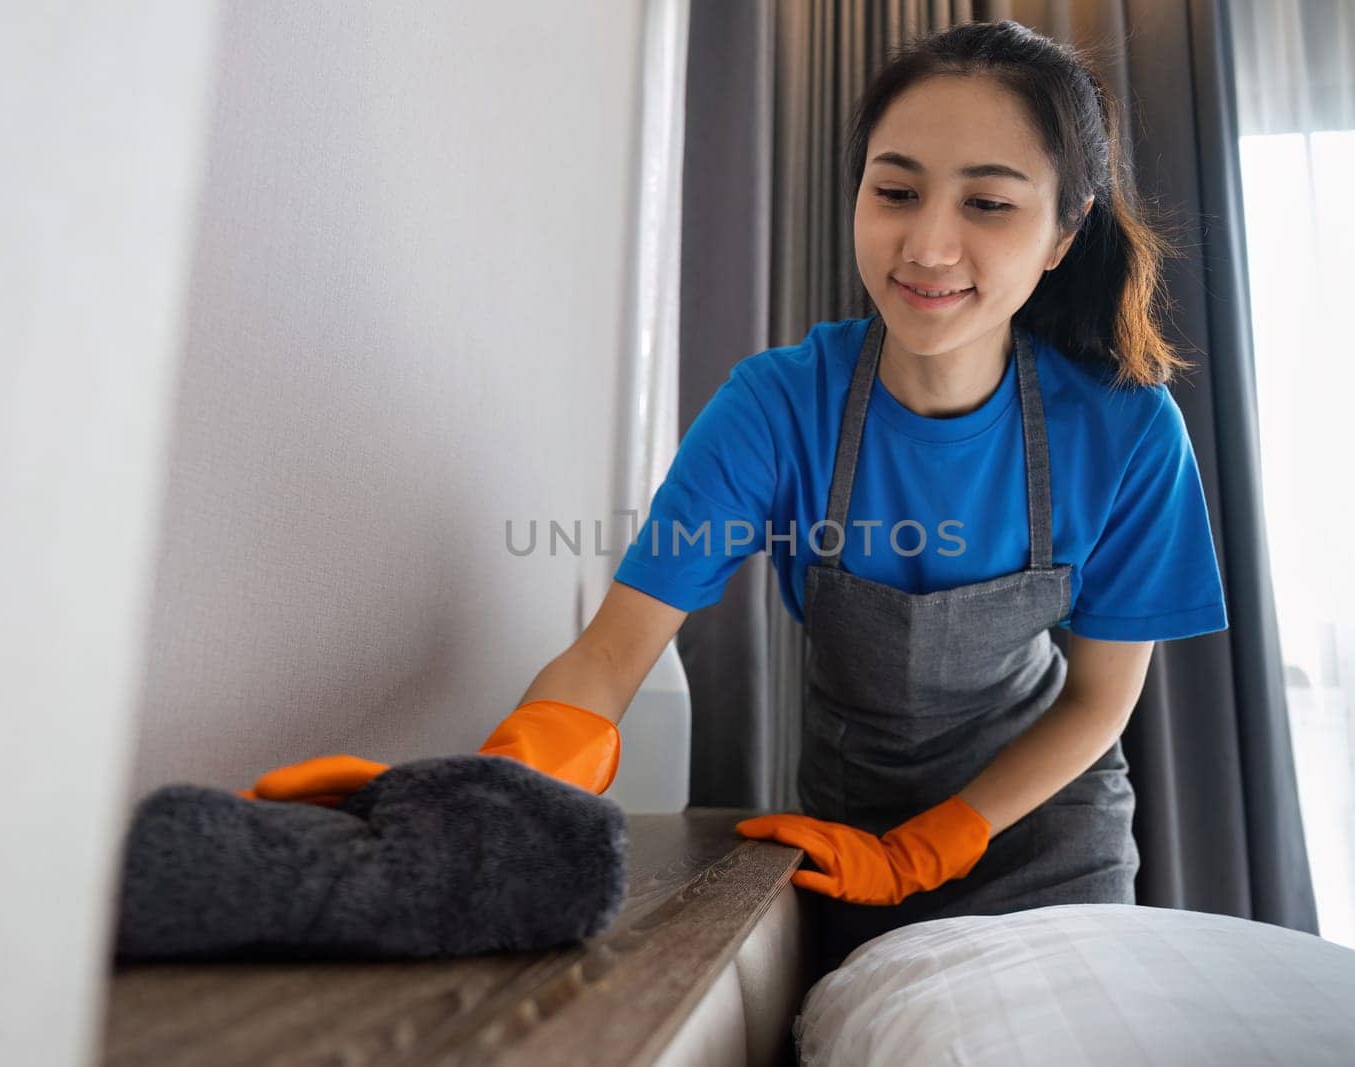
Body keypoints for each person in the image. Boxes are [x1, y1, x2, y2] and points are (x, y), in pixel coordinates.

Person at [246, 19, 1228, 974]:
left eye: (987, 204)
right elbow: (611, 651)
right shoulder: (778, 404)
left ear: (1064, 230)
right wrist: (480, 795)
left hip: (1041, 839)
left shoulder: (1128, 432)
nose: (926, 246)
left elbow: (1099, 700)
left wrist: (932, 844)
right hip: (846, 840)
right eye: (895, 190)